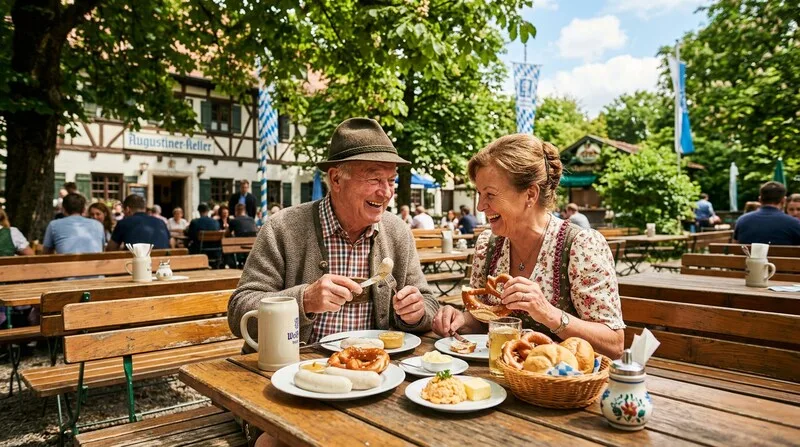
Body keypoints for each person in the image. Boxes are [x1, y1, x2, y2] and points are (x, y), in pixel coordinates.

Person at [229, 116, 438, 345]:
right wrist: (304, 299)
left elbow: (428, 303)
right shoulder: (282, 228)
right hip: (297, 368)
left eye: (391, 180)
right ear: (336, 179)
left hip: (375, 369)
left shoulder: (397, 231)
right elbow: (240, 311)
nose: (386, 192)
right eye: (374, 179)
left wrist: (416, 313)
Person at [432, 134, 624, 359]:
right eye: (479, 194)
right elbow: (482, 319)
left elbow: (614, 344)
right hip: (497, 379)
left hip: (557, 385)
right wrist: (459, 320)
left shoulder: (580, 246)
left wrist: (549, 313)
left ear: (530, 194)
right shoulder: (488, 245)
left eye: (490, 195)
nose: (480, 206)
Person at [734, 182, 800, 245]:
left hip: (748, 257)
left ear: (760, 199)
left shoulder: (742, 220)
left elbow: (735, 246)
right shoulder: (794, 223)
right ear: (784, 200)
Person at [107, 194, 171, 250]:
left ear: (127, 209)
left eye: (123, 211)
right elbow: (169, 242)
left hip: (137, 262)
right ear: (144, 208)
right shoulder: (161, 222)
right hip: (162, 261)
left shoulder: (123, 223)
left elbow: (110, 249)